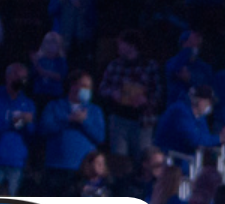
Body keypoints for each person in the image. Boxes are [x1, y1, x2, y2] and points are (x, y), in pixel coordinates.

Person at [99, 29, 163, 158]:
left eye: (121, 43)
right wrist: (113, 93)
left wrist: (146, 100)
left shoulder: (150, 66)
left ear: (132, 45)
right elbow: (102, 88)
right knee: (119, 160)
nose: (118, 46)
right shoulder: (114, 65)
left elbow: (158, 93)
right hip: (119, 119)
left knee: (142, 159)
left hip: (142, 121)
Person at [39, 70, 105, 192]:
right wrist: (68, 119)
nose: (87, 90)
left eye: (89, 87)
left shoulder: (94, 111)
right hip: (56, 166)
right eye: (84, 86)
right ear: (73, 86)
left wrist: (84, 122)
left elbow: (100, 137)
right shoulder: (54, 106)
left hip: (84, 171)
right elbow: (44, 129)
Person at [0, 65, 38, 194]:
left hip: (16, 163)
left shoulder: (28, 104)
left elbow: (32, 133)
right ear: (7, 76)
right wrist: (12, 122)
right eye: (17, 75)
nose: (20, 80)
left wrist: (27, 123)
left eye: (23, 77)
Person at [156, 85, 225, 158]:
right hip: (167, 156)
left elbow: (205, 137)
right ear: (197, 100)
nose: (210, 106)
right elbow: (194, 140)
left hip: (184, 157)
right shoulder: (180, 111)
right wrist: (222, 138)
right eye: (208, 102)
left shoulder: (200, 116)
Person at [166, 30, 214, 108]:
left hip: (196, 110)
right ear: (184, 43)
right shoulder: (172, 62)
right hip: (176, 108)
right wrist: (187, 51)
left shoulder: (205, 68)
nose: (197, 41)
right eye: (192, 40)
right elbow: (176, 70)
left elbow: (207, 86)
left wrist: (191, 78)